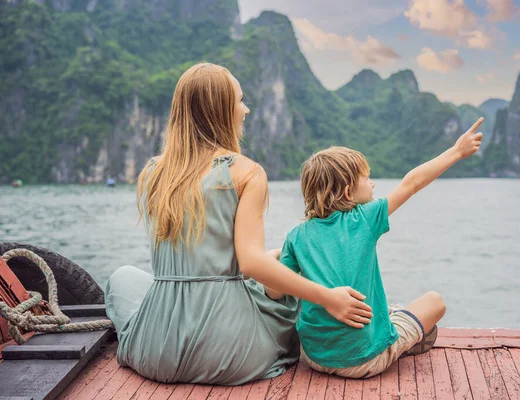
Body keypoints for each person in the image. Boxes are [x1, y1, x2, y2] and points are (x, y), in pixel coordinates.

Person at [104, 63, 373, 385]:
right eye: (239, 100)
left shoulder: (152, 172)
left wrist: (270, 256)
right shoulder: (245, 172)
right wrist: (329, 297)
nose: (245, 110)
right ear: (218, 110)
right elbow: (251, 264)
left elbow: (211, 261)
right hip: (229, 354)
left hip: (154, 353)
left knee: (123, 278)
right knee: (285, 294)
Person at [265, 117, 484, 378]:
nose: (373, 183)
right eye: (366, 178)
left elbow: (275, 291)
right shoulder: (365, 219)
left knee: (377, 308)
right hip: (363, 361)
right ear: (347, 192)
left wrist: (277, 255)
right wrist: (457, 151)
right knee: (434, 302)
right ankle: (396, 334)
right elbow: (411, 183)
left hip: (313, 355)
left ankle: (389, 319)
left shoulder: (296, 236)